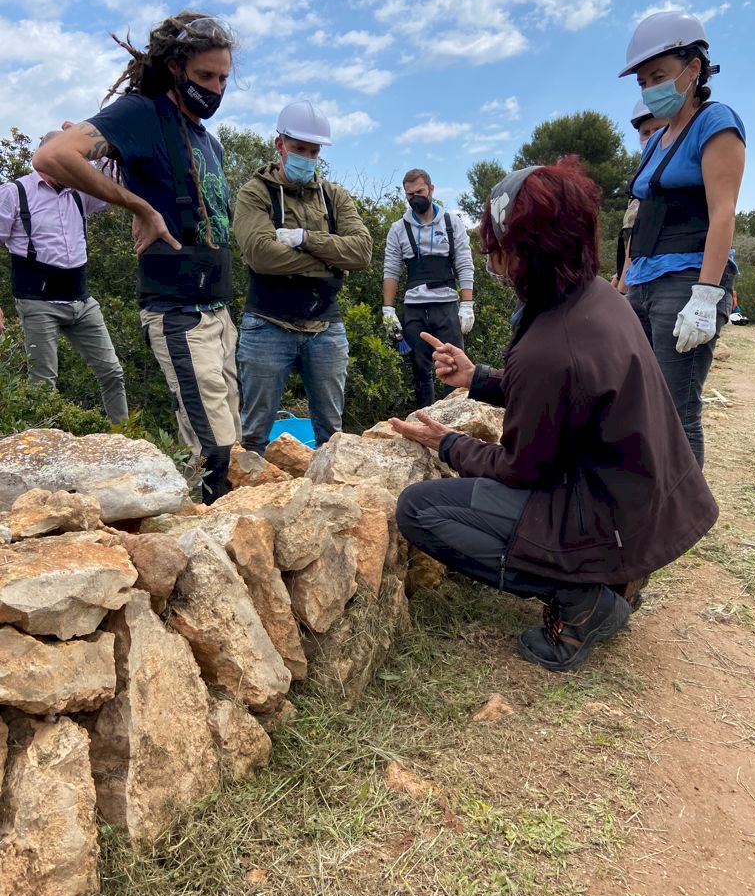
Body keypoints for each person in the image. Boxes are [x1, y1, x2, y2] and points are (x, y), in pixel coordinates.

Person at [392, 159, 718, 672]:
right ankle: (613, 578)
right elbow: (564, 394)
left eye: (496, 247)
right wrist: (478, 378)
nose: (492, 259)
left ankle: (581, 601)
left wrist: (449, 444)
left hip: (606, 518)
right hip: (640, 507)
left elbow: (522, 469)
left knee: (418, 509)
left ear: (523, 252)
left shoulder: (550, 343)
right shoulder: (598, 298)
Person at [32, 12, 240, 503]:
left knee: (229, 443)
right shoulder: (144, 113)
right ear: (176, 69)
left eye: (223, 78)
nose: (215, 89)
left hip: (218, 310)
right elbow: (54, 155)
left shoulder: (208, 141)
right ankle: (204, 536)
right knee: (213, 450)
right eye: (205, 76)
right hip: (179, 312)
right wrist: (139, 207)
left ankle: (210, 524)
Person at [617, 10, 745, 467]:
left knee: (677, 409)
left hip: (686, 281)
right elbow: (642, 217)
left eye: (659, 76)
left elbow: (723, 212)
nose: (650, 88)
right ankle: (648, 493)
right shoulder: (656, 141)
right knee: (639, 400)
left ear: (694, 69)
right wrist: (625, 282)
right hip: (644, 282)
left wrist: (706, 295)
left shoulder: (715, 122)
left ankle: (683, 507)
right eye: (643, 81)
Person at [233, 101, 372, 454]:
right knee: (254, 435)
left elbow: (361, 251)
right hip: (266, 323)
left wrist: (306, 239)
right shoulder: (255, 193)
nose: (307, 157)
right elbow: (260, 254)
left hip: (326, 325)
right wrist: (329, 262)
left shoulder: (334, 196)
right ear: (280, 145)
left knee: (332, 435)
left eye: (314, 151)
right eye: (300, 149)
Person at [0, 129, 128, 424]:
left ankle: (124, 438)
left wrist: (98, 147)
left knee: (112, 372)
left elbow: (116, 185)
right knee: (43, 385)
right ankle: (40, 445)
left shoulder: (80, 193)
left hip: (80, 300)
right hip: (37, 301)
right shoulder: (14, 193)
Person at [382, 169, 474, 407]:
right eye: (410, 194)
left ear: (431, 189)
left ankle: (454, 420)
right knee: (420, 371)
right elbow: (391, 270)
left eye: (420, 191)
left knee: (453, 366)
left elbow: (464, 263)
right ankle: (425, 418)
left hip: (446, 305)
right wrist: (388, 309)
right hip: (414, 308)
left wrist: (467, 304)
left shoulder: (451, 223)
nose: (415, 198)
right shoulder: (398, 229)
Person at [612, 101, 667, 288]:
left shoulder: (677, 176)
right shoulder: (642, 180)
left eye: (658, 129)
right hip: (640, 276)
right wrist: (619, 279)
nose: (652, 137)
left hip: (668, 277)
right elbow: (636, 237)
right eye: (645, 133)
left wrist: (622, 289)